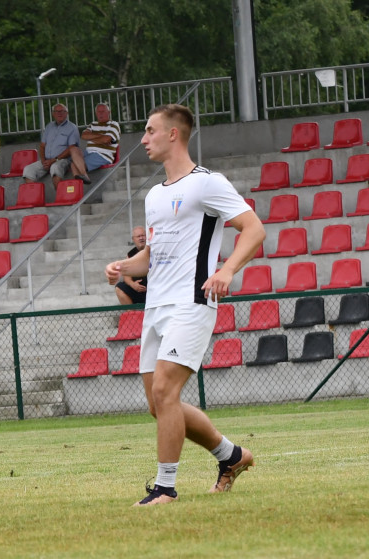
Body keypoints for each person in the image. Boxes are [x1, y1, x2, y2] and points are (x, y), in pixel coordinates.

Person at [104, 104, 265, 506]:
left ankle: (165, 488)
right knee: (158, 406)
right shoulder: (156, 194)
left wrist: (226, 270)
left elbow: (254, 228)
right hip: (156, 307)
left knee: (165, 390)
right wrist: (124, 266)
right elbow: (152, 257)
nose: (143, 139)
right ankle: (231, 456)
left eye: (149, 130)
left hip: (192, 302)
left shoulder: (207, 183)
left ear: (173, 134)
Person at [21, 103, 87, 188]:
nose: (59, 113)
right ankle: (34, 198)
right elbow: (42, 146)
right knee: (28, 170)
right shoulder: (49, 126)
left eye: (62, 111)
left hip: (63, 160)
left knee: (55, 167)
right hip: (46, 160)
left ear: (67, 113)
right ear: (53, 114)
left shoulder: (72, 128)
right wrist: (43, 161)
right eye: (56, 111)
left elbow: (71, 148)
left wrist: (53, 160)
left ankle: (60, 198)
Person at [74, 102, 121, 179]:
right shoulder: (93, 124)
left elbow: (106, 140)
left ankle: (83, 183)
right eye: (98, 112)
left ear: (109, 112)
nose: (100, 114)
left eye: (103, 111)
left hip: (103, 155)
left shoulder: (114, 124)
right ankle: (79, 184)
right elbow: (83, 136)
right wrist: (101, 137)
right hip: (88, 153)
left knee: (76, 165)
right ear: (96, 113)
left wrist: (92, 138)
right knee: (73, 154)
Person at [114, 227, 148, 305]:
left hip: (152, 289)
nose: (141, 238)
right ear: (133, 239)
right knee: (119, 287)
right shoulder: (130, 255)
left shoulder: (153, 251)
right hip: (137, 289)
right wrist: (133, 285)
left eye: (143, 235)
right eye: (138, 236)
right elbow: (126, 276)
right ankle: (132, 315)